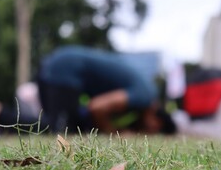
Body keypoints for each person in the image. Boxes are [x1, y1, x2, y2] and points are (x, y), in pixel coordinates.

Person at [38, 45, 176, 135]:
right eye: (155, 131)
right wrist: (115, 133)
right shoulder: (145, 95)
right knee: (64, 132)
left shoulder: (145, 93)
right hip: (66, 69)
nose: (149, 133)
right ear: (157, 121)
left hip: (57, 65)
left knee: (49, 128)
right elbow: (97, 107)